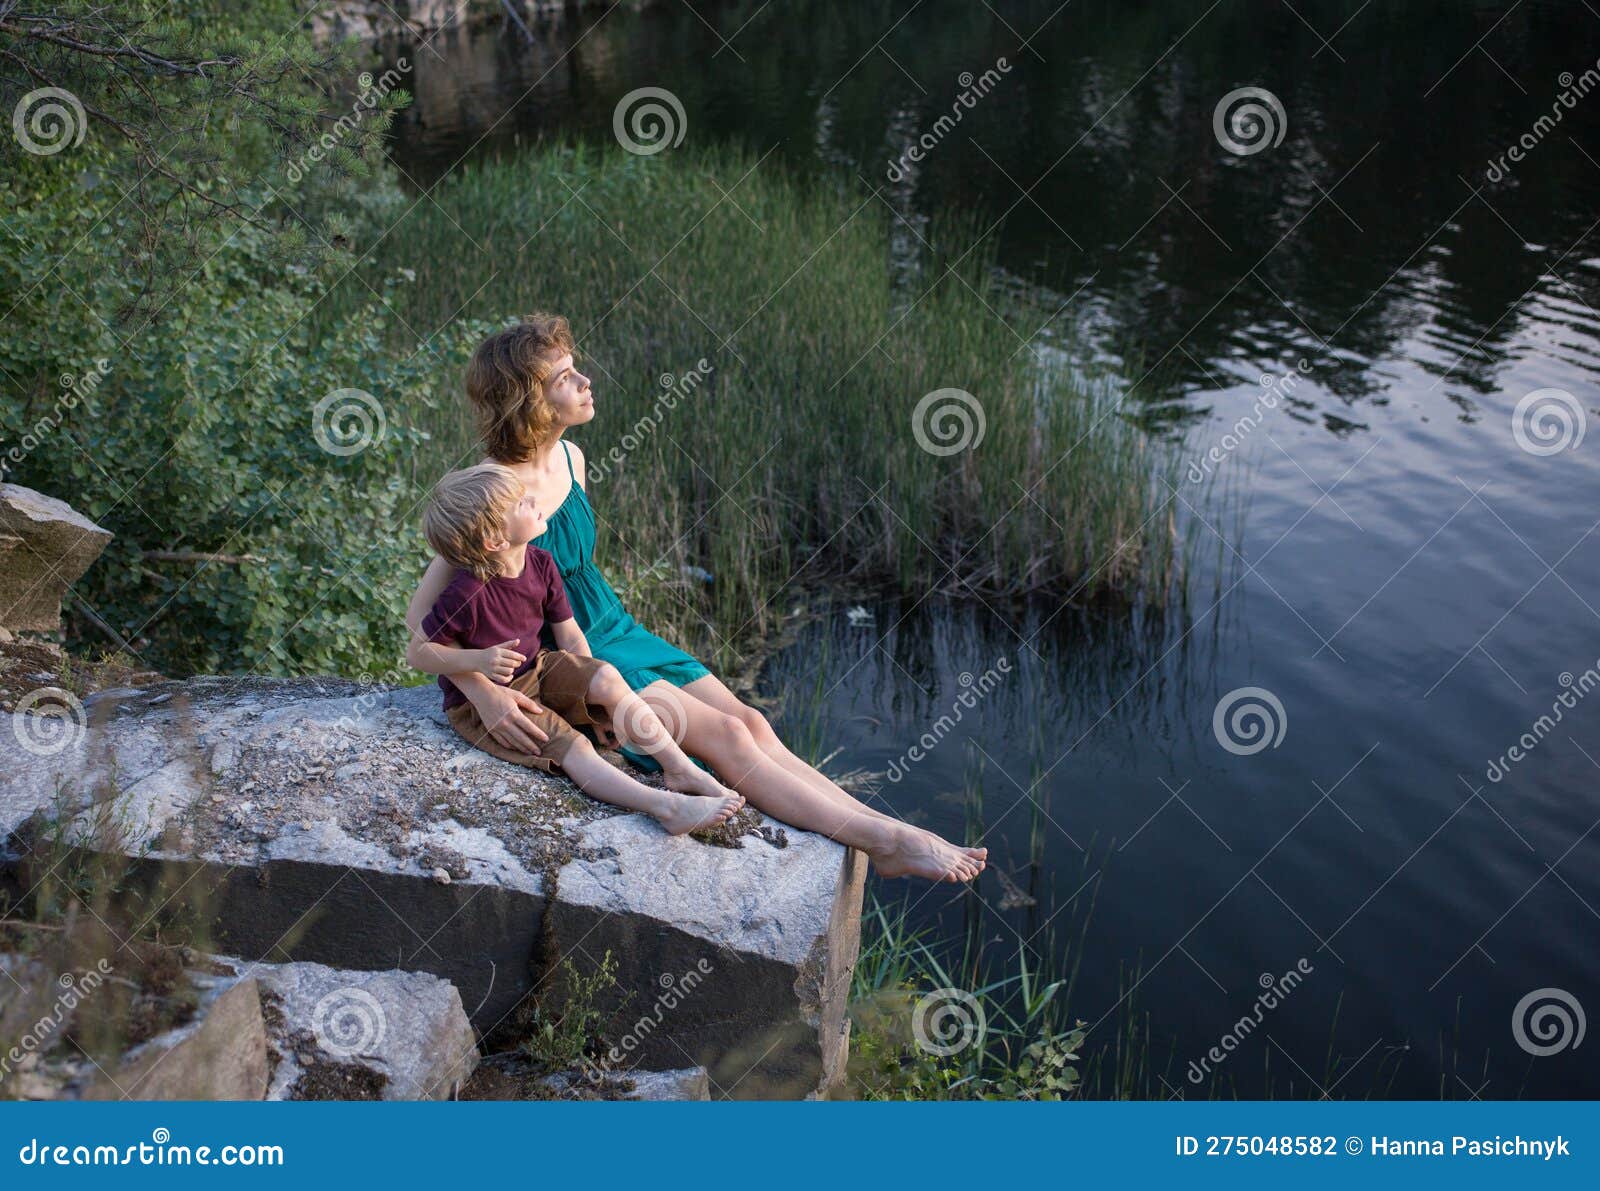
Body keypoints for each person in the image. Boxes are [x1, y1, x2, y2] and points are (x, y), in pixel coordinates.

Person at [406, 313, 986, 882]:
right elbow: (418, 624)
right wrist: (483, 693)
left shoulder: (572, 458)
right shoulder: (493, 491)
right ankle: (889, 840)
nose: (587, 383)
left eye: (577, 369)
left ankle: (880, 832)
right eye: (565, 378)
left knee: (750, 720)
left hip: (612, 623)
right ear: (527, 401)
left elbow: (570, 570)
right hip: (564, 657)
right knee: (730, 740)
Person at [413, 461, 745, 837]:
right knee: (572, 748)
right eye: (520, 504)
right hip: (490, 700)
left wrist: (594, 703)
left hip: (539, 668)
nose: (533, 501)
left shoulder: (539, 562)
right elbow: (420, 652)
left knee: (605, 675)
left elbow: (569, 635)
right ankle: (666, 808)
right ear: (494, 541)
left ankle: (679, 768)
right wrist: (477, 661)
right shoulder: (468, 592)